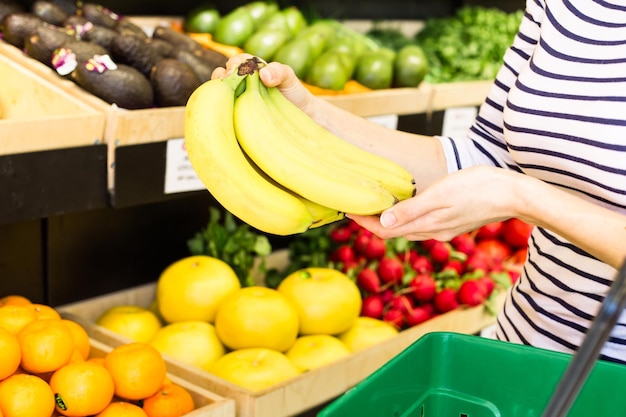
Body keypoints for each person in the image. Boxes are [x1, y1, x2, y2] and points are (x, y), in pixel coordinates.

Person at [212, 0, 626, 363]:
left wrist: (524, 198)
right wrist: (312, 115)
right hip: (523, 347)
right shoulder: (563, 5)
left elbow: (509, 183)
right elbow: (486, 154)